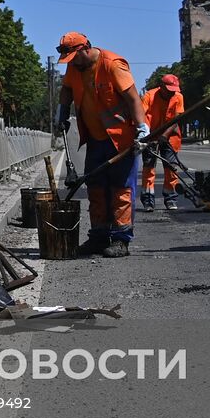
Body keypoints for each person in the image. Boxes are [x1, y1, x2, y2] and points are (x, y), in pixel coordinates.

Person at [55, 32, 149, 257]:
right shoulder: (74, 68)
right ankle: (98, 236)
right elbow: (67, 89)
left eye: (73, 59)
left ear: (85, 49)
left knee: (121, 189)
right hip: (95, 139)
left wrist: (142, 128)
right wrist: (62, 113)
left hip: (120, 140)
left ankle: (120, 239)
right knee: (96, 189)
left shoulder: (112, 64)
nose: (71, 65)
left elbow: (133, 98)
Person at [141, 74, 185, 211]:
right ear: (161, 86)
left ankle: (170, 198)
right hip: (151, 136)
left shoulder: (178, 97)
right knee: (149, 167)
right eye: (169, 89)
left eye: (174, 89)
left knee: (171, 167)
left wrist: (165, 135)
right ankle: (148, 200)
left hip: (170, 135)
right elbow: (141, 116)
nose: (172, 92)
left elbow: (176, 119)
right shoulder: (149, 96)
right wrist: (146, 136)